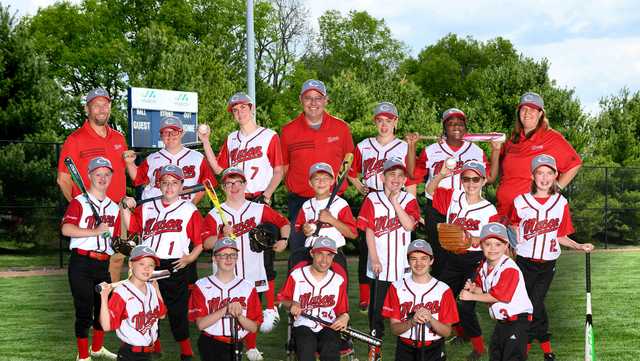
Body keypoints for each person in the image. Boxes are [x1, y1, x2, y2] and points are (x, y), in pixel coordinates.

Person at [197, 92, 284, 338]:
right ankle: (241, 301)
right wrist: (205, 141)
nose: (239, 113)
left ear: (251, 107)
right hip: (234, 195)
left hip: (259, 197)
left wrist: (267, 195)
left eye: (242, 108)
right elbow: (218, 169)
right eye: (234, 110)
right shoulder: (231, 139)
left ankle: (268, 307)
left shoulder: (269, 136)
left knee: (262, 251)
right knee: (238, 252)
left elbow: (278, 171)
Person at [510, 154, 594, 360]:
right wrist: (510, 249)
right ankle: (547, 351)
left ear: (556, 175)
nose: (545, 178)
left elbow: (561, 235)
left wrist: (578, 245)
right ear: (533, 176)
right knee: (531, 305)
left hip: (548, 264)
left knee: (533, 303)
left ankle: (527, 348)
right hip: (524, 261)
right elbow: (513, 229)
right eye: (540, 173)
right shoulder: (520, 202)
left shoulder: (560, 202)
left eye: (549, 173)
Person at [200, 167, 290, 361]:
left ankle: (251, 347)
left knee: (251, 312)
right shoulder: (214, 214)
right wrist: (221, 235)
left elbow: (284, 223)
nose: (234, 187)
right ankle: (226, 345)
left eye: (238, 182)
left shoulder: (258, 209)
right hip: (224, 274)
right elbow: (206, 244)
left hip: (252, 269)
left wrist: (283, 240)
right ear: (223, 187)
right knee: (225, 311)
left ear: (245, 185)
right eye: (229, 183)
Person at [120, 164, 204, 361]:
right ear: (159, 185)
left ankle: (186, 351)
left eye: (174, 183)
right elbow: (132, 227)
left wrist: (190, 258)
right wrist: (125, 206)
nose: (169, 187)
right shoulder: (147, 206)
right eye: (165, 183)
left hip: (174, 264)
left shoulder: (189, 209)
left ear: (182, 185)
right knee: (146, 306)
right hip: (148, 265)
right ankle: (153, 345)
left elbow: (200, 242)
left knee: (176, 311)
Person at [406, 108, 493, 278]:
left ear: (465, 127)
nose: (456, 126)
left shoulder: (476, 151)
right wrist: (411, 146)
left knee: (462, 252)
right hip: (437, 208)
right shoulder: (431, 150)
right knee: (439, 257)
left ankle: (463, 294)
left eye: (460, 123)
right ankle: (441, 296)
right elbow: (412, 174)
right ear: (444, 127)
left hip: (464, 208)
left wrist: (495, 151)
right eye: (451, 123)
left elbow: (489, 177)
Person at [348, 101, 417, 312]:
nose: (384, 125)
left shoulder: (404, 147)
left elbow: (412, 177)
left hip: (398, 198)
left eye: (388, 121)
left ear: (396, 122)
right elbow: (351, 171)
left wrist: (410, 201)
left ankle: (402, 292)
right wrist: (360, 185)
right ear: (375, 122)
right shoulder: (364, 145)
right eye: (380, 121)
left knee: (399, 248)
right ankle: (366, 296)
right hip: (374, 197)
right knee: (367, 247)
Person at [426, 160, 498, 359]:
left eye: (476, 179)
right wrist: (441, 175)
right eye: (466, 178)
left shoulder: (489, 210)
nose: (471, 183)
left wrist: (475, 239)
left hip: (474, 261)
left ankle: (479, 348)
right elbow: (430, 191)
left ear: (483, 181)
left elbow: (494, 240)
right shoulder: (453, 197)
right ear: (461, 180)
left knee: (466, 305)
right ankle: (446, 341)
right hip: (451, 258)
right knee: (441, 300)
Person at [57, 87, 128, 283]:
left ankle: (109, 308)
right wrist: (79, 206)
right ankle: (90, 308)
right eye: (96, 105)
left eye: (105, 105)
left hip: (116, 211)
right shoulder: (75, 139)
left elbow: (122, 176)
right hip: (89, 214)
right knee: (89, 261)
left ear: (110, 107)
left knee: (116, 258)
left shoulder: (119, 139)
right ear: (87, 109)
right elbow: (63, 178)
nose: (101, 109)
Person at [280, 79, 355, 251]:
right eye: (308, 98)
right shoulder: (288, 130)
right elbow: (283, 167)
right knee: (300, 252)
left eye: (318, 98)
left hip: (333, 201)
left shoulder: (341, 128)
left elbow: (349, 161)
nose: (313, 103)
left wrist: (357, 185)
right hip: (299, 202)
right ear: (301, 99)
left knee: (330, 255)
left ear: (326, 100)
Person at [356, 157, 421, 350]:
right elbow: (369, 230)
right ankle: (375, 340)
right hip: (380, 263)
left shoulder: (408, 199)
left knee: (406, 303)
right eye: (392, 174)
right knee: (376, 307)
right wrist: (374, 258)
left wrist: (395, 202)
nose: (396, 178)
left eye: (401, 175)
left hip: (403, 265)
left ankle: (410, 336)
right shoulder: (372, 199)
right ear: (382, 177)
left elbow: (409, 225)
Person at [61, 156, 120, 361]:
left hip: (103, 264)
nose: (102, 178)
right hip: (81, 263)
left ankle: (97, 348)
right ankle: (83, 356)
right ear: (89, 176)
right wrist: (95, 231)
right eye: (98, 174)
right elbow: (66, 229)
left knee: (103, 306)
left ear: (111, 176)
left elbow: (114, 238)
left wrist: (120, 244)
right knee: (84, 309)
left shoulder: (114, 208)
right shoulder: (79, 202)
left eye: (106, 174)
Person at [492, 92, 582, 220]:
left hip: (530, 217)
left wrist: (555, 189)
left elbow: (575, 164)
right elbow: (497, 172)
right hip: (504, 212)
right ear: (519, 113)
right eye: (524, 109)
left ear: (540, 114)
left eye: (532, 109)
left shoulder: (551, 138)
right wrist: (495, 149)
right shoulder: (512, 140)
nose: (527, 113)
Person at [459, 223, 533, 361]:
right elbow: (485, 290)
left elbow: (497, 296)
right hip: (502, 323)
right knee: (495, 355)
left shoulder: (509, 268)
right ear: (481, 245)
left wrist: (471, 296)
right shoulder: (483, 266)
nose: (493, 248)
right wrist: (474, 289)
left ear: (506, 246)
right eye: (488, 244)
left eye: (498, 244)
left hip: (517, 322)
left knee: (512, 357)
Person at [382, 239, 459, 361]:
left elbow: (446, 332)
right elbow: (395, 329)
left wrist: (431, 319)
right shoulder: (396, 287)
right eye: (414, 258)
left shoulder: (443, 290)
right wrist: (412, 321)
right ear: (408, 261)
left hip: (434, 349)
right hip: (405, 348)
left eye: (424, 258)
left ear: (431, 260)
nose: (419, 263)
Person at [188, 238, 263, 361]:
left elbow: (253, 328)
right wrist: (226, 309)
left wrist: (239, 316)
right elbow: (201, 325)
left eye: (232, 255)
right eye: (223, 255)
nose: (228, 259)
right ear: (214, 259)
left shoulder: (248, 287)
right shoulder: (201, 285)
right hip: (210, 343)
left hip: (236, 344)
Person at [278, 236, 350, 361]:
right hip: (303, 324)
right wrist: (292, 304)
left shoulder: (338, 280)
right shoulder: (297, 275)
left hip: (328, 325)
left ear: (333, 257)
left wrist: (345, 317)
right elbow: (281, 299)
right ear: (312, 253)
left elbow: (342, 311)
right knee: (306, 346)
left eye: (329, 255)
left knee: (331, 346)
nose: (324, 260)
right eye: (320, 254)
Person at [123, 115, 215, 203]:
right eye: (166, 132)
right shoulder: (151, 159)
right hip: (154, 210)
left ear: (182, 133)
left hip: (184, 209)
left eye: (174, 132)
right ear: (161, 135)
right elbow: (137, 178)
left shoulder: (197, 158)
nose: (170, 136)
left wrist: (192, 204)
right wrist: (130, 163)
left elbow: (207, 184)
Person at [98, 245, 166, 361]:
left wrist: (157, 289)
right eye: (141, 264)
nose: (147, 268)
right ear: (130, 265)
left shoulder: (151, 288)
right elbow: (106, 325)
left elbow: (162, 314)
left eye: (151, 265)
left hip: (147, 353)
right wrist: (104, 298)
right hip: (130, 354)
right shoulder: (122, 293)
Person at [295, 162, 357, 269]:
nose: (321, 182)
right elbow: (300, 228)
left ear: (332, 181)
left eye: (325, 178)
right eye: (316, 179)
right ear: (310, 183)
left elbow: (353, 234)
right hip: (311, 252)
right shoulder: (306, 205)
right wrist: (305, 229)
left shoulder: (340, 204)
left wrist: (331, 220)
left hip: (334, 253)